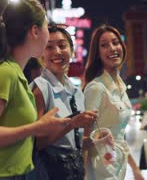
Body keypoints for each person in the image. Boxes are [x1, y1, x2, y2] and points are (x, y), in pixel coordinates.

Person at [0, 0, 70, 180]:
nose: (49, 34)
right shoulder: (6, 73)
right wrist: (36, 127)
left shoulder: (16, 73)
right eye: (46, 26)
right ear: (35, 31)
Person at [30, 23, 98, 180]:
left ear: (72, 51)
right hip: (50, 172)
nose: (57, 52)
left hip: (74, 172)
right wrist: (72, 123)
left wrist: (93, 141)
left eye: (62, 45)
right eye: (49, 47)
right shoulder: (40, 88)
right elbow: (37, 143)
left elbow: (72, 145)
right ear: (41, 55)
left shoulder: (76, 91)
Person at [83, 24, 144, 180]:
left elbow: (119, 137)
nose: (112, 48)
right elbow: (85, 136)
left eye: (115, 42)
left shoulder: (121, 87)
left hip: (117, 163)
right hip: (100, 168)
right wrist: (81, 174)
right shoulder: (96, 88)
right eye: (104, 45)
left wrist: (136, 170)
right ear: (97, 54)